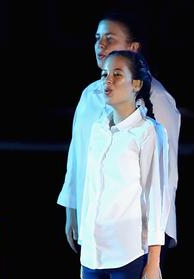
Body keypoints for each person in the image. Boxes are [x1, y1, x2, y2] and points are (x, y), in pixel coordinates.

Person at [58, 11, 180, 255]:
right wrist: (72, 210)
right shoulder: (90, 95)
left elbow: (164, 178)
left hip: (136, 235)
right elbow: (77, 157)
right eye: (97, 37)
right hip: (95, 228)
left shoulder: (157, 101)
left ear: (132, 47)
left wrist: (154, 242)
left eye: (110, 38)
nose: (100, 44)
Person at [78, 50, 169, 279]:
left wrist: (153, 261)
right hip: (93, 256)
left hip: (130, 256)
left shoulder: (149, 134)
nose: (108, 80)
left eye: (117, 74)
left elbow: (157, 198)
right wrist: (85, 252)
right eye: (105, 74)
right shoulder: (98, 129)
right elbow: (91, 191)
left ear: (136, 84)